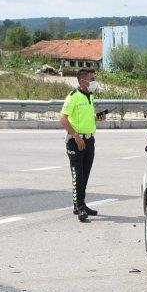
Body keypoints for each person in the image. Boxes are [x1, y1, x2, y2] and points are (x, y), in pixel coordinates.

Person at [59, 68, 106, 222]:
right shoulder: (73, 96)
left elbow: (87, 117)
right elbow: (63, 118)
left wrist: (97, 118)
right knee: (77, 175)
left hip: (89, 139)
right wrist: (75, 136)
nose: (94, 81)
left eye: (94, 78)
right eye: (91, 79)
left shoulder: (90, 96)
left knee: (85, 174)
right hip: (75, 141)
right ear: (82, 81)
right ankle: (79, 207)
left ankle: (80, 204)